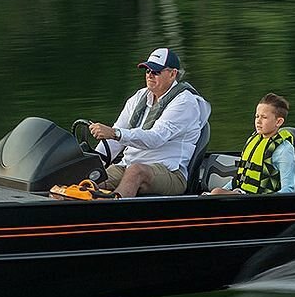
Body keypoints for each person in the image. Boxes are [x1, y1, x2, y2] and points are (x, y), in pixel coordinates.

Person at [89, 48, 211, 198]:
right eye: (147, 71)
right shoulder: (139, 96)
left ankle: (113, 211)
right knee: (89, 181)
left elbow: (155, 138)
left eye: (156, 72)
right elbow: (115, 136)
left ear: (173, 74)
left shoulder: (185, 102)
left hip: (171, 173)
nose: (150, 75)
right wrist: (94, 161)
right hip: (128, 165)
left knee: (136, 171)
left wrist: (115, 134)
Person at [209, 93, 295, 195]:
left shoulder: (284, 150)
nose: (258, 121)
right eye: (257, 116)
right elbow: (239, 178)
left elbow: (289, 189)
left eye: (264, 117)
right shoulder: (254, 140)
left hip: (259, 200)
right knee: (215, 192)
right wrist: (219, 192)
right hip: (242, 194)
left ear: (278, 122)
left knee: (216, 192)